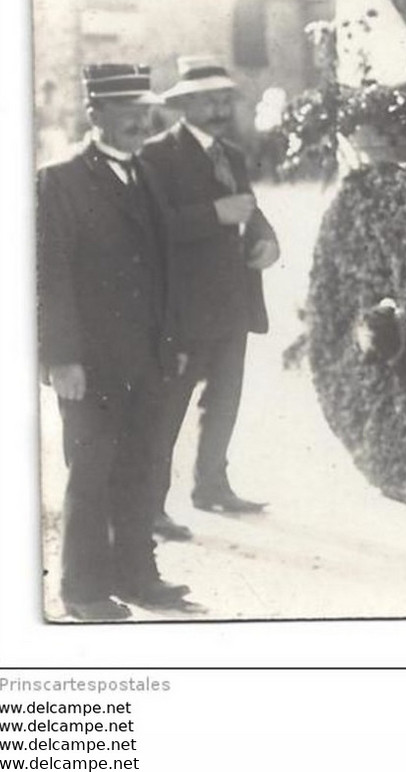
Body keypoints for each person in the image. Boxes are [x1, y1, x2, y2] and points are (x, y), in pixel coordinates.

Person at [37, 64, 192, 618]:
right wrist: (60, 359)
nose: (138, 120)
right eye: (125, 110)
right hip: (91, 365)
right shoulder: (60, 179)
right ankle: (81, 590)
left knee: (143, 466)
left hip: (148, 357)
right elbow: (49, 276)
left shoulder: (146, 173)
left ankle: (137, 575)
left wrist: (172, 340)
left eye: (144, 109)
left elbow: (164, 266)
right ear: (94, 114)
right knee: (92, 472)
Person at [139, 56, 280, 533]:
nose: (220, 109)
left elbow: (249, 211)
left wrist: (266, 238)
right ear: (182, 105)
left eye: (225, 99)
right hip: (182, 306)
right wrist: (215, 213)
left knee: (225, 399)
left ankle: (211, 486)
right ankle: (149, 506)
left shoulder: (232, 155)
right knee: (168, 407)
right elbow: (153, 228)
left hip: (233, 300)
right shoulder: (156, 155)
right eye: (208, 100)